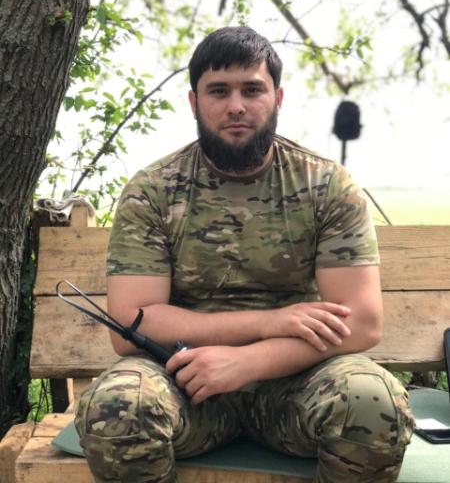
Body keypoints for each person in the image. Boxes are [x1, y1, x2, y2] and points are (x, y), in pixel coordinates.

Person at [75, 26, 414, 482]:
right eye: (219, 91)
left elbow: (363, 322)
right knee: (119, 406)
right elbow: (132, 323)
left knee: (372, 402)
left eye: (252, 90)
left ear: (277, 97)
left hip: (296, 383)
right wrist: (266, 322)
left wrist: (249, 361)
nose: (236, 105)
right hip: (184, 382)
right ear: (194, 102)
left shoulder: (325, 185)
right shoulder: (153, 190)